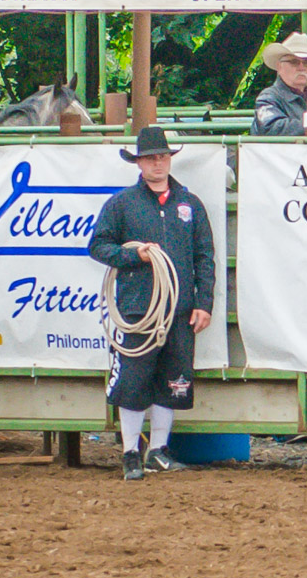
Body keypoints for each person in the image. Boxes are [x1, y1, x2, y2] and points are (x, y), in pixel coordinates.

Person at [89, 126, 216, 480]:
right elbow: (98, 246)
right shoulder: (121, 204)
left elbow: (204, 256)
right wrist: (136, 256)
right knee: (133, 380)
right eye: (150, 158)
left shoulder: (190, 204)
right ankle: (131, 452)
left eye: (162, 157)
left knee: (173, 380)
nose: (157, 163)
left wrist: (203, 302)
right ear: (139, 163)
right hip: (138, 307)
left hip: (179, 308)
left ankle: (158, 449)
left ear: (169, 160)